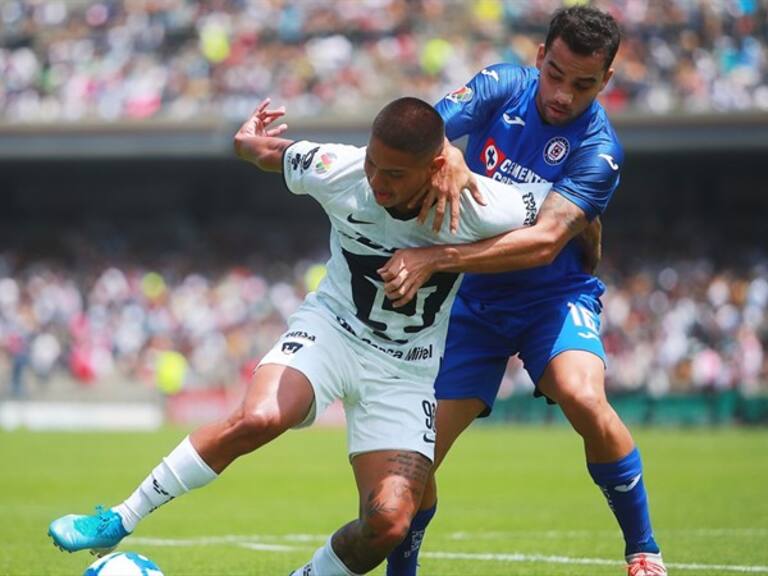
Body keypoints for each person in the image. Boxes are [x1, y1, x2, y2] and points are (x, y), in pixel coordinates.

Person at [47, 96, 551, 575]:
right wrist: (244, 137)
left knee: (388, 523)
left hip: (406, 368)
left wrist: (449, 247)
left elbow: (562, 217)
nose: (377, 181)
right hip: (332, 331)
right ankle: (120, 517)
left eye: (395, 174)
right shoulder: (341, 169)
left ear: (435, 168)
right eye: (374, 163)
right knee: (261, 416)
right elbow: (262, 151)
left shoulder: (483, 204)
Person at [380, 7, 667, 576]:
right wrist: (451, 153)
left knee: (583, 396)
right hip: (472, 305)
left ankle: (644, 550)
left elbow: (542, 244)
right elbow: (423, 129)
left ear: (605, 81)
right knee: (417, 457)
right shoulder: (501, 85)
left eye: (583, 84)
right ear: (540, 56)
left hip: (550, 298)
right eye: (555, 74)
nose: (562, 94)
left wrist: (436, 258)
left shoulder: (599, 149)